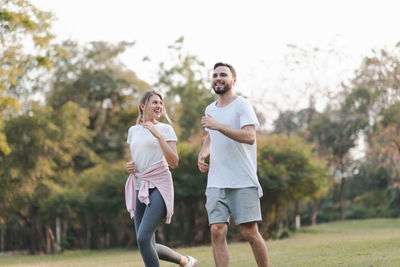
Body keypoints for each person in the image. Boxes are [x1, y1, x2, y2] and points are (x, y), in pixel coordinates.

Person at [197, 62, 269, 267]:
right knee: (216, 230)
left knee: (249, 232)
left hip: (242, 180)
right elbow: (212, 136)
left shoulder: (242, 105)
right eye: (215, 75)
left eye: (223, 75)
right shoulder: (210, 108)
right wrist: (202, 154)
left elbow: (249, 136)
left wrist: (218, 125)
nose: (218, 78)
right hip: (216, 180)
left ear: (233, 80)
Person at [125, 90, 197, 267]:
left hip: (159, 185)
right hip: (139, 186)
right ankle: (186, 261)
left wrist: (158, 135)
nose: (159, 106)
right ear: (143, 107)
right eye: (154, 102)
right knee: (147, 243)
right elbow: (138, 158)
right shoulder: (133, 130)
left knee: (143, 239)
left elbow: (174, 162)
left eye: (160, 102)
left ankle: (185, 261)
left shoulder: (166, 129)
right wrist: (130, 166)